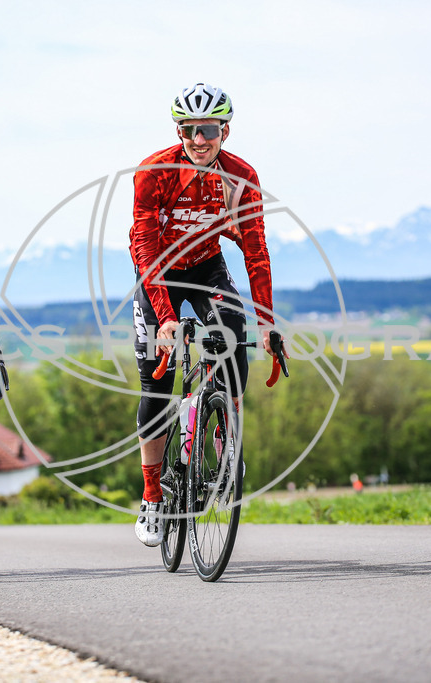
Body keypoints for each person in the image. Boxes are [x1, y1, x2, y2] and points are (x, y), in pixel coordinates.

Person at [130, 83, 282, 546]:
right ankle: (153, 496)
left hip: (206, 266)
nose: (200, 139)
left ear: (225, 130)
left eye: (209, 129)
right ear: (179, 131)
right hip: (157, 271)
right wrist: (166, 317)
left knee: (234, 329)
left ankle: (222, 427)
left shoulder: (241, 176)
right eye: (190, 130)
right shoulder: (155, 172)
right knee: (157, 383)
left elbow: (255, 250)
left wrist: (268, 321)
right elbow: (145, 246)